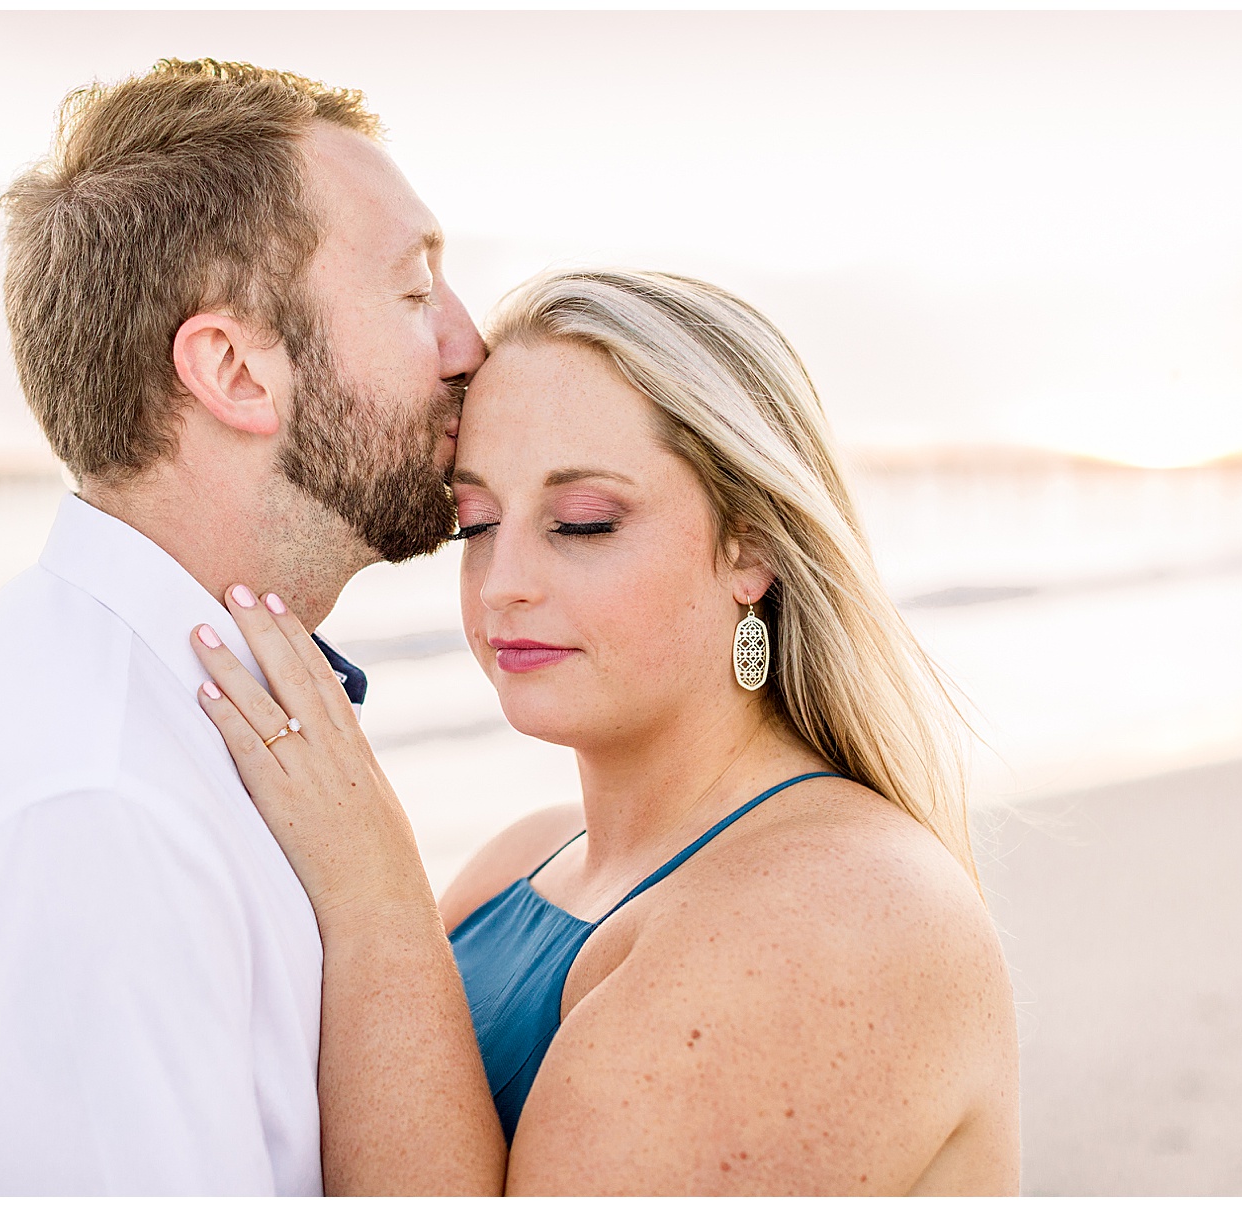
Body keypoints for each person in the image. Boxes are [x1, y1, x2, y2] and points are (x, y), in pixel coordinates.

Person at [0, 59, 484, 1194]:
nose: (467, 344)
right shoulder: (90, 811)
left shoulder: (190, 721)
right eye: (413, 293)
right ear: (237, 369)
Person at [189, 268, 1021, 1194]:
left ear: (749, 547)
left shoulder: (846, 909)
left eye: (582, 522)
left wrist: (374, 893)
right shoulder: (527, 857)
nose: (504, 580)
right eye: (477, 522)